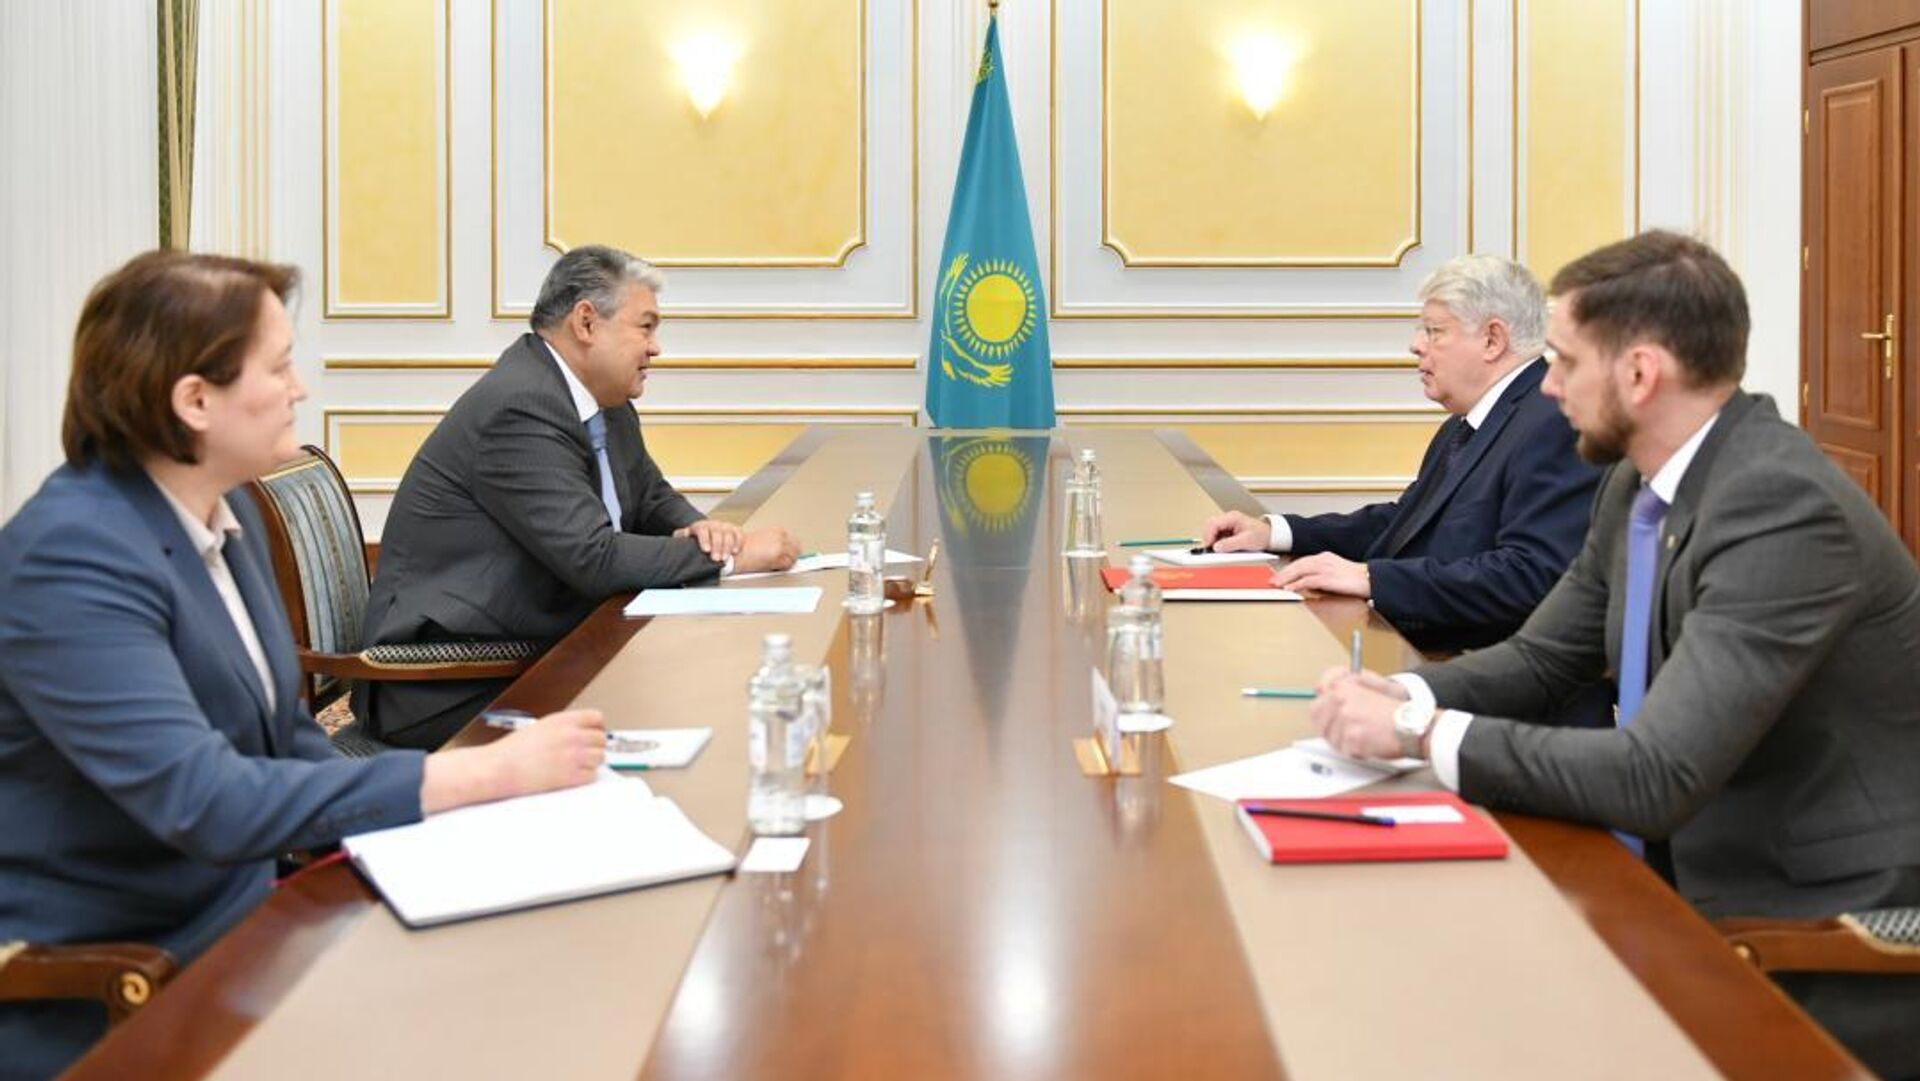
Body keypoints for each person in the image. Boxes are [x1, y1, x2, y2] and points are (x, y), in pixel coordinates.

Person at [1308, 231, 1920, 1079]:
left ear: (1639, 374)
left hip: (1808, 920)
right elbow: (1542, 659)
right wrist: (1398, 690)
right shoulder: (1638, 480)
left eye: (1564, 361)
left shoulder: (1781, 506)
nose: (1546, 385)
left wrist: (1420, 731)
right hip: (1677, 864)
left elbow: (1656, 775)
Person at [0, 251, 608, 1081]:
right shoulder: (73, 557)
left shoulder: (224, 506)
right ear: (194, 400)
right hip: (124, 981)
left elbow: (286, 736)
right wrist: (474, 776)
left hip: (249, 924)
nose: (301, 388)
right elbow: (205, 800)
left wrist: (445, 830)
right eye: (280, 366)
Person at [357, 245, 800, 749]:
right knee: (691, 707)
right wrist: (734, 559)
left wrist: (705, 530)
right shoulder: (520, 406)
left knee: (697, 690)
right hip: (448, 681)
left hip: (533, 646)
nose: (656, 348)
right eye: (646, 327)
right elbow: (593, 557)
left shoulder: (601, 398)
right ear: (587, 322)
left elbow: (650, 496)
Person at [1203, 254, 1601, 654]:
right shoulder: (1469, 422)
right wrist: (1276, 533)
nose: (1416, 345)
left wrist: (1373, 579)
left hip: (1483, 673)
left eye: (1434, 331)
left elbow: (1530, 576)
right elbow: (1405, 523)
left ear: (1492, 340)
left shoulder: (1553, 422)